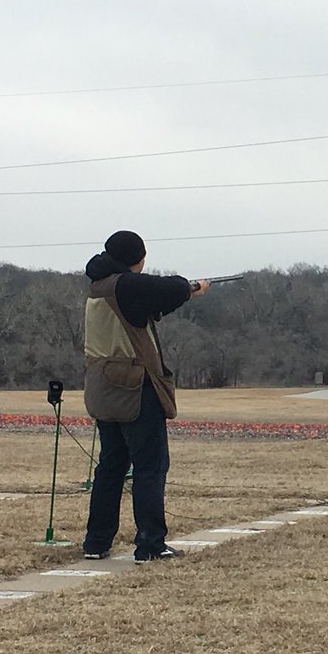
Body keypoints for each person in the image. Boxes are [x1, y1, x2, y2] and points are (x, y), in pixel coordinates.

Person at [80, 230, 210, 563]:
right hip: (135, 389)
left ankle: (96, 542)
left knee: (111, 466)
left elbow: (146, 305)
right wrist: (190, 289)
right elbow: (165, 289)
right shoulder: (124, 285)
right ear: (136, 258)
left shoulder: (100, 285)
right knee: (150, 467)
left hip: (105, 389)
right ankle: (150, 544)